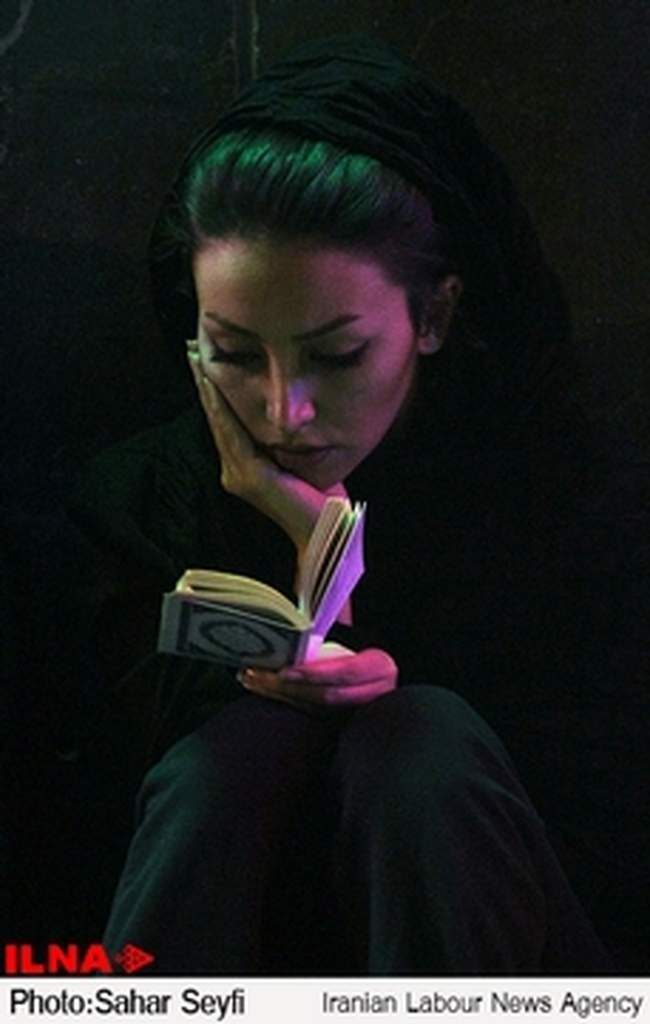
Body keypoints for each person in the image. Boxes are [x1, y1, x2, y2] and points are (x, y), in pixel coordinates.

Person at [62, 35, 649, 975]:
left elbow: (602, 856)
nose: (283, 411)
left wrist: (369, 641)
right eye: (234, 353)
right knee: (234, 753)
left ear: (434, 317)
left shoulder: (569, 501)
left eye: (337, 356)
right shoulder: (136, 504)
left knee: (421, 746)